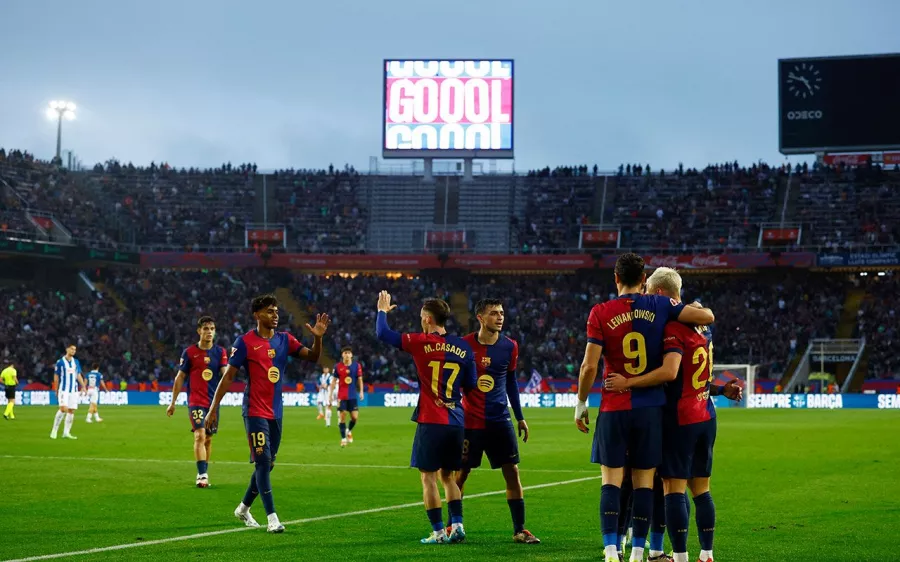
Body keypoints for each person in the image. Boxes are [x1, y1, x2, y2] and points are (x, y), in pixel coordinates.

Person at [574, 253, 715, 562]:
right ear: (643, 280)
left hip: (614, 406)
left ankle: (612, 550)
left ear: (615, 278)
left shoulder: (599, 312)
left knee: (611, 481)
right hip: (651, 407)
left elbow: (588, 366)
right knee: (644, 483)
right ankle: (640, 551)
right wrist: (701, 311)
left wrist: (581, 403)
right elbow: (706, 318)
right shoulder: (661, 306)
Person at [605, 268, 742, 562]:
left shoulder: (672, 329)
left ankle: (676, 556)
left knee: (672, 488)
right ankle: (707, 554)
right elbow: (696, 378)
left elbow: (671, 372)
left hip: (681, 419)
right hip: (707, 414)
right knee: (702, 489)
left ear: (657, 294)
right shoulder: (703, 327)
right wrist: (720, 390)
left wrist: (627, 382)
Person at [205, 294, 329, 533]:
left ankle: (243, 508)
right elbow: (228, 376)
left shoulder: (285, 340)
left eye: (277, 311)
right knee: (262, 462)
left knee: (268, 464)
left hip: (276, 412)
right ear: (257, 315)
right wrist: (213, 408)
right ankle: (272, 518)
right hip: (254, 411)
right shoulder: (245, 342)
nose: (275, 315)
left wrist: (318, 339)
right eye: (270, 311)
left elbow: (313, 357)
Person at [375, 291, 477, 544]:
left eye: (422, 317)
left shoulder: (419, 341)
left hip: (431, 420)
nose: (420, 321)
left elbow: (382, 333)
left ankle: (439, 532)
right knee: (448, 477)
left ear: (429, 319)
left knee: (428, 477)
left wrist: (382, 311)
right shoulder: (464, 347)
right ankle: (459, 525)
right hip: (456, 421)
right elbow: (471, 385)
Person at [455, 298, 540, 544]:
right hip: (470, 421)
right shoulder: (464, 345)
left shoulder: (510, 346)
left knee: (512, 472)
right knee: (461, 474)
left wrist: (520, 417)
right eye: (494, 313)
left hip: (500, 420)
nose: (500, 317)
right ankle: (454, 525)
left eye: (502, 312)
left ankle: (520, 529)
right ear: (480, 318)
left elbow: (511, 382)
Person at [166, 316, 229, 488]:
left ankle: (204, 473)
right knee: (199, 434)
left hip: (213, 403)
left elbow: (225, 374)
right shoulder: (189, 353)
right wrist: (173, 402)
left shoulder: (220, 352)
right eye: (206, 328)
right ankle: (201, 475)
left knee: (208, 438)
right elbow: (180, 377)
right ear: (199, 331)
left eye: (212, 328)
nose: (209, 332)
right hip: (196, 401)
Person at [51, 345, 85, 440]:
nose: (73, 351)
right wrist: (56, 389)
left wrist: (83, 386)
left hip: (73, 390)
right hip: (64, 390)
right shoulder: (60, 362)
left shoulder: (76, 362)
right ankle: (54, 430)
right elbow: (56, 377)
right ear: (67, 349)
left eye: (74, 349)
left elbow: (78, 375)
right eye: (71, 349)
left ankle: (66, 432)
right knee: (63, 409)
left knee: (71, 411)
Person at [332, 346, 364, 447]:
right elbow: (333, 381)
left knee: (354, 418)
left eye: (348, 353)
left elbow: (360, 379)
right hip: (342, 396)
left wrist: (361, 391)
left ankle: (348, 430)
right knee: (342, 417)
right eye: (345, 353)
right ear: (342, 355)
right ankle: (343, 439)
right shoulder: (337, 366)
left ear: (351, 355)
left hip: (352, 396)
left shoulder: (356, 366)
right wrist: (330, 394)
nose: (346, 354)